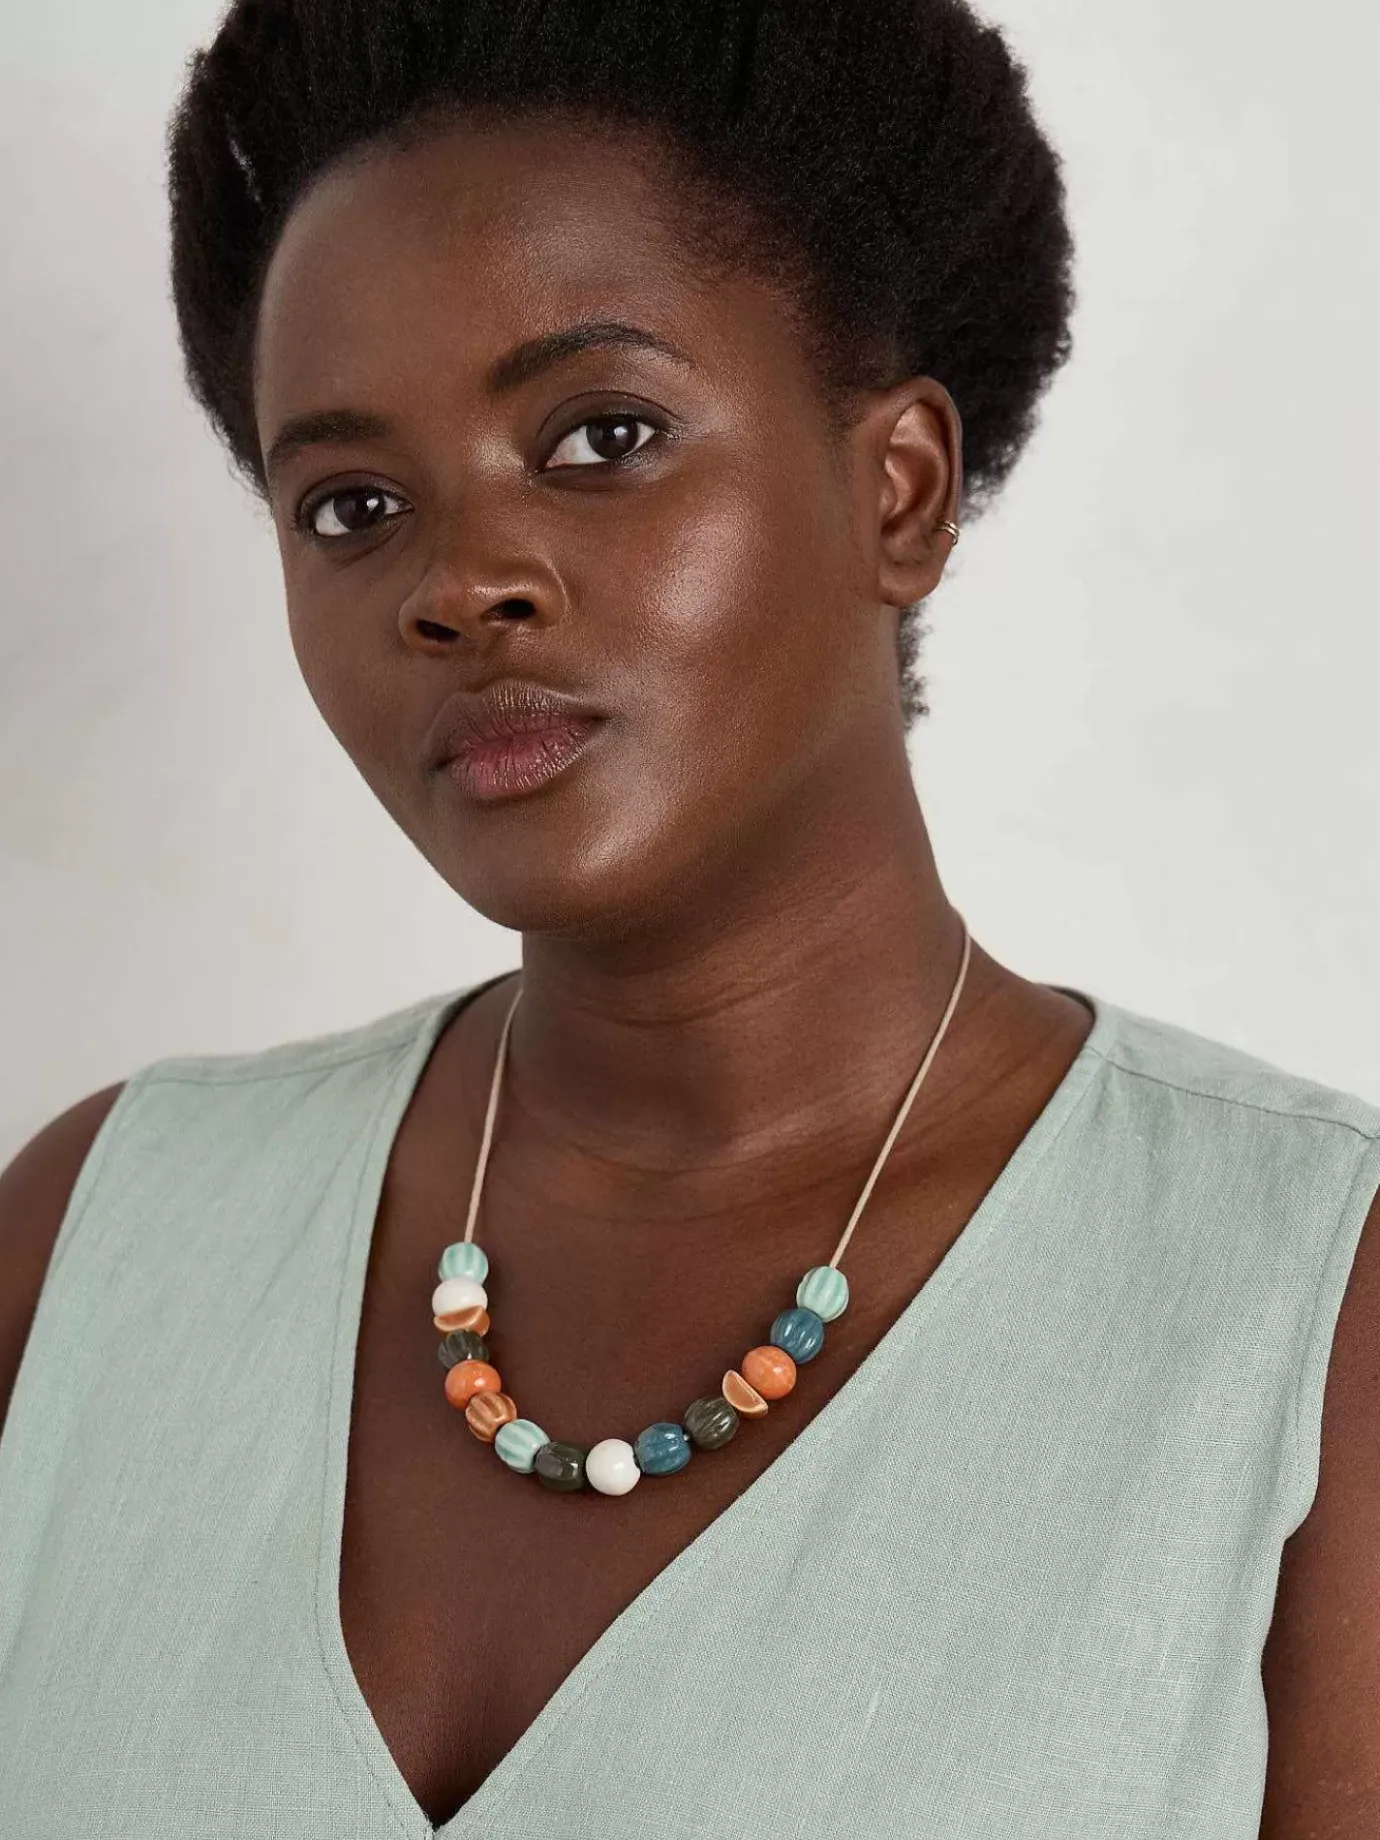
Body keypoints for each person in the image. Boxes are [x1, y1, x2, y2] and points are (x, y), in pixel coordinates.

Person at [0, 1, 1375, 1834]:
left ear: (899, 491)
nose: (461, 583)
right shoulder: (93, 1241)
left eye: (602, 435)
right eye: (351, 504)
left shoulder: (1310, 1313)